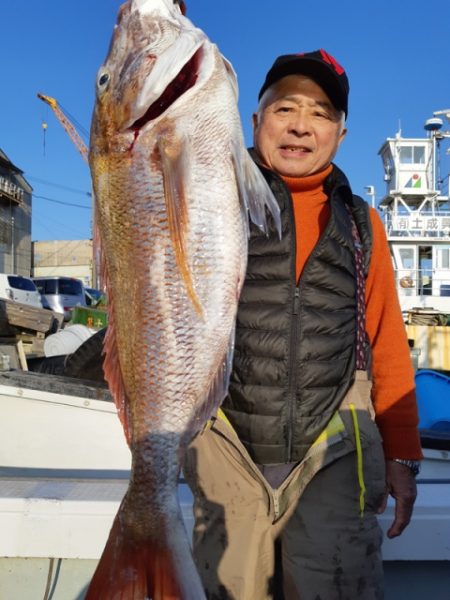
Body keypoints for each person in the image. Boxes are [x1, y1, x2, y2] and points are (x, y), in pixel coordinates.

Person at [183, 49, 422, 600]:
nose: (299, 125)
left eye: (319, 114)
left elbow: (386, 343)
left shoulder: (363, 224)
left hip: (335, 458)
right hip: (229, 452)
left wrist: (403, 456)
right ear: (255, 121)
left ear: (340, 134)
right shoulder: (209, 200)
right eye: (284, 108)